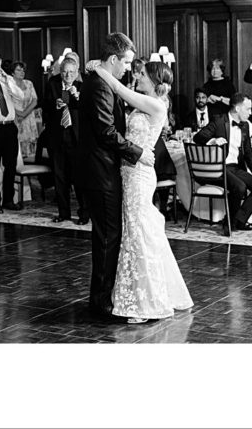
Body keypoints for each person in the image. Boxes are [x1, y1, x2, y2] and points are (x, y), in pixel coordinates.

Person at [88, 60, 193, 323]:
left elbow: (120, 91)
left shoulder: (157, 104)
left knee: (137, 232)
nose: (138, 76)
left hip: (139, 175)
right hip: (128, 171)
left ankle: (145, 301)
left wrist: (99, 70)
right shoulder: (147, 100)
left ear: (156, 81)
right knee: (136, 231)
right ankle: (137, 294)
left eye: (142, 74)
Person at [76, 32, 157, 319]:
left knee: (108, 235)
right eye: (125, 63)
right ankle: (101, 301)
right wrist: (138, 152)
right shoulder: (99, 85)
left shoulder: (102, 81)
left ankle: (103, 296)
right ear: (113, 59)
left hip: (104, 171)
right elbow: (106, 132)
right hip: (100, 173)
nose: (127, 69)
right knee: (108, 237)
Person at [194, 93, 252, 232]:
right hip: (219, 169)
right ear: (237, 109)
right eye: (248, 109)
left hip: (235, 168)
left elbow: (248, 152)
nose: (250, 112)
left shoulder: (245, 125)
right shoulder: (219, 121)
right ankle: (228, 223)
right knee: (240, 187)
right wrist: (213, 141)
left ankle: (238, 220)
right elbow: (198, 137)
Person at [42, 54, 87, 224]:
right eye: (65, 72)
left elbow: (88, 111)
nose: (68, 75)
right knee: (60, 178)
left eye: (71, 72)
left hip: (77, 139)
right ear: (60, 72)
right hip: (57, 137)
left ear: (77, 72)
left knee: (79, 178)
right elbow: (44, 106)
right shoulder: (52, 84)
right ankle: (63, 213)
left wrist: (77, 97)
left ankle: (84, 213)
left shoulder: (84, 86)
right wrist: (54, 106)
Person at [0, 54, 23, 213]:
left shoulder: (7, 81)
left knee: (10, 165)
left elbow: (21, 95)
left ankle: (8, 200)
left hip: (10, 127)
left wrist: (7, 80)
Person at [7, 61, 39, 162]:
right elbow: (8, 101)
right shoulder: (8, 85)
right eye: (18, 70)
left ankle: (31, 175)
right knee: (16, 149)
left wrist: (24, 113)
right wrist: (19, 113)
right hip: (16, 118)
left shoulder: (29, 83)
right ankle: (19, 174)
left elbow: (34, 100)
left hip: (29, 118)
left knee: (31, 150)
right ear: (12, 72)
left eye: (23, 70)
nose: (22, 72)